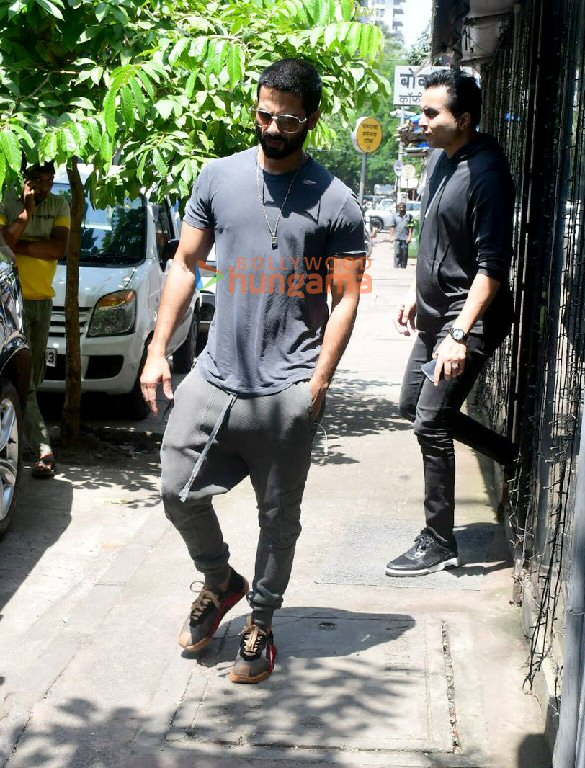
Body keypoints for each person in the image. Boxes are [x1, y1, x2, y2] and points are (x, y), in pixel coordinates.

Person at [140, 58, 365, 683]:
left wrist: (318, 383)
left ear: (310, 120)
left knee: (277, 518)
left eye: (286, 118)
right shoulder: (219, 177)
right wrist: (159, 350)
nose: (271, 126)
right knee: (175, 492)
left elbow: (347, 296)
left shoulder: (337, 202)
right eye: (264, 113)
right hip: (213, 377)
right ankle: (220, 581)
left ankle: (261, 620)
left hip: (288, 386)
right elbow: (186, 263)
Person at [386, 69, 516, 577]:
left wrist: (459, 333)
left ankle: (439, 539)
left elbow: (492, 269)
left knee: (431, 421)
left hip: (470, 319)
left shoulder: (487, 173)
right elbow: (440, 239)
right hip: (437, 315)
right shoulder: (441, 160)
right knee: (410, 404)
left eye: (431, 113)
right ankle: (511, 455)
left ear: (461, 120)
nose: (422, 121)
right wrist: (419, 299)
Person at [0, 162, 70, 479]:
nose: (44, 188)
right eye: (38, 181)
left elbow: (58, 248)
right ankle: (44, 449)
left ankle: (23, 441)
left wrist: (23, 244)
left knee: (35, 377)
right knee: (24, 383)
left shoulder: (59, 204)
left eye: (49, 181)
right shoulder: (8, 199)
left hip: (42, 301)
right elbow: (5, 246)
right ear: (25, 181)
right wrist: (26, 214)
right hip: (12, 301)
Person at [389, 201, 414, 268]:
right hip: (397, 238)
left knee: (404, 254)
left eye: (403, 208)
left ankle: (403, 267)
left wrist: (410, 236)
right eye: (400, 208)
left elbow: (411, 227)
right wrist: (391, 236)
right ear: (398, 208)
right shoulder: (395, 216)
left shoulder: (409, 216)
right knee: (397, 253)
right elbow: (392, 227)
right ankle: (396, 267)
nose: (401, 209)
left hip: (405, 239)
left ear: (405, 208)